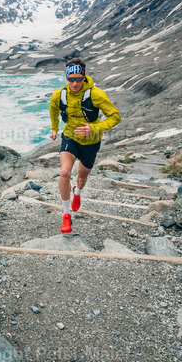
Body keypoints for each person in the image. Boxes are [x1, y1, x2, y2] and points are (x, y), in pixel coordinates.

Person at [48, 58, 121, 233]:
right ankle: (66, 215)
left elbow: (115, 117)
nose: (74, 83)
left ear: (84, 76)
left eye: (78, 79)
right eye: (70, 79)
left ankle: (78, 192)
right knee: (65, 172)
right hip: (70, 137)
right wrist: (54, 128)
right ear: (66, 78)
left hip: (92, 141)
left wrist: (94, 128)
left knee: (82, 178)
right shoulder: (60, 94)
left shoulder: (96, 94)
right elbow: (53, 108)